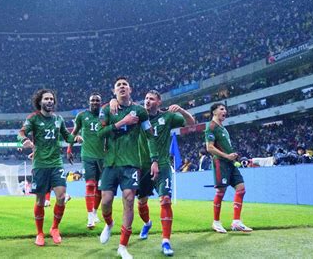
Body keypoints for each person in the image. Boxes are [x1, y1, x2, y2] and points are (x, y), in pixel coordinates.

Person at [97, 77, 159, 259]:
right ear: (114, 92)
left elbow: (150, 136)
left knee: (129, 199)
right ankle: (109, 224)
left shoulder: (140, 111)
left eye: (125, 85)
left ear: (130, 90)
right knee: (106, 201)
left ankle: (123, 246)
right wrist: (122, 122)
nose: (122, 87)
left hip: (131, 163)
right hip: (110, 163)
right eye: (118, 85)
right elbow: (100, 134)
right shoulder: (106, 109)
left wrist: (154, 159)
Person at [18, 89, 83, 246]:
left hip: (56, 164)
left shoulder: (58, 119)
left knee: (61, 197)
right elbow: (21, 132)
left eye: (51, 99)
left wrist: (75, 138)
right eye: (46, 99)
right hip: (40, 164)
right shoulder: (33, 118)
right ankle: (39, 233)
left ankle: (54, 228)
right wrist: (24, 140)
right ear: (40, 101)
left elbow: (66, 136)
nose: (49, 101)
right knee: (40, 201)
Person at [135, 90, 195, 256]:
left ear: (159, 102)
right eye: (146, 98)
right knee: (141, 202)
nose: (147, 101)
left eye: (151, 99)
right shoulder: (139, 116)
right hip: (142, 166)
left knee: (166, 200)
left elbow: (191, 123)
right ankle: (147, 223)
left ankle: (166, 241)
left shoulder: (168, 117)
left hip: (162, 164)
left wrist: (181, 110)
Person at [205, 103, 252, 233]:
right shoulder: (211, 126)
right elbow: (209, 148)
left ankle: (236, 222)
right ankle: (216, 222)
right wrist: (227, 155)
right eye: (221, 109)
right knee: (221, 192)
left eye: (225, 109)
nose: (224, 111)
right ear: (214, 112)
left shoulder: (223, 128)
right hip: (220, 163)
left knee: (241, 189)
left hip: (230, 163)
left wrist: (232, 156)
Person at [67, 92, 105, 229]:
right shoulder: (82, 116)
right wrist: (69, 149)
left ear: (100, 103)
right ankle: (90, 217)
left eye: (97, 100)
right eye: (92, 100)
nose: (95, 102)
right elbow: (74, 133)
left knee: (100, 187)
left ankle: (95, 212)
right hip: (88, 155)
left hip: (104, 157)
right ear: (89, 102)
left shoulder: (105, 115)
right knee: (90, 184)